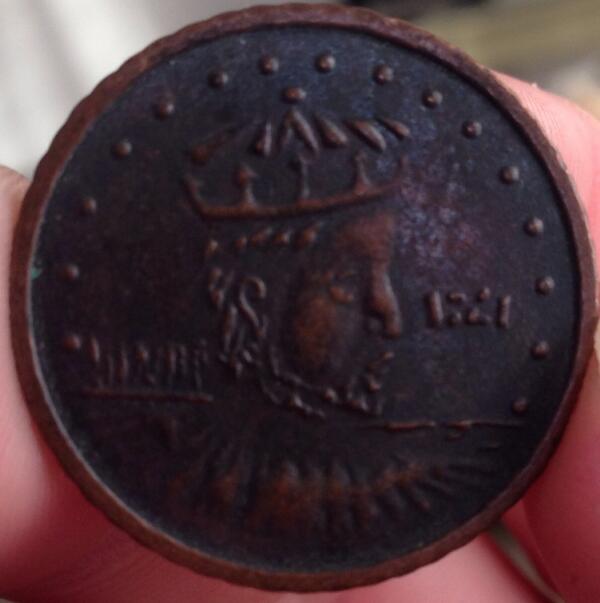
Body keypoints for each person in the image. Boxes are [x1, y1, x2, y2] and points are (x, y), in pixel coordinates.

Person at [0, 74, 598, 603]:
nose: (388, 316)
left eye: (386, 277)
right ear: (253, 304)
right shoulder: (189, 481)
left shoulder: (438, 468)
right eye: (345, 284)